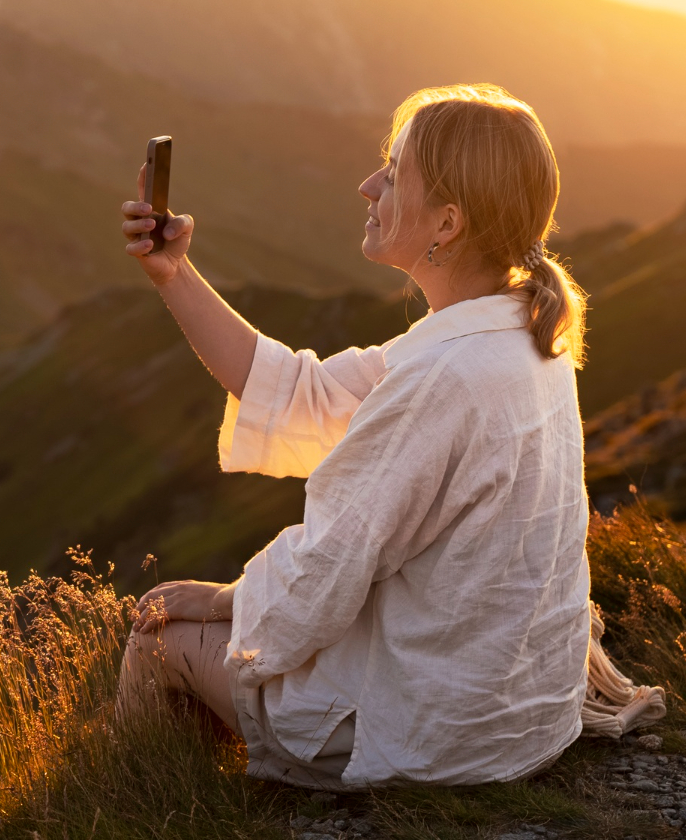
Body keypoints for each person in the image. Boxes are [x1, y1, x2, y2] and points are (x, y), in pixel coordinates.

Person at [114, 83, 601, 789]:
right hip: (514, 716)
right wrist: (173, 273)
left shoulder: (446, 377)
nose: (368, 185)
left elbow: (325, 572)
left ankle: (131, 809)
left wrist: (224, 599)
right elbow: (302, 392)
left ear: (447, 223)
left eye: (395, 173)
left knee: (156, 639)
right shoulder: (515, 334)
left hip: (444, 735)